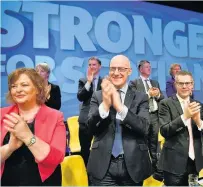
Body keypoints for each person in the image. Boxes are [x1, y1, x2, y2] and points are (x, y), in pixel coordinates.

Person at [87, 55, 151, 186]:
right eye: (112, 69)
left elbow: (144, 127)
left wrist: (120, 107)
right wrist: (105, 105)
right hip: (103, 165)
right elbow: (90, 128)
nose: (116, 73)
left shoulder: (141, 97)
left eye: (121, 69)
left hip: (133, 165)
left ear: (129, 71)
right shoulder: (98, 95)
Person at [0, 68, 66, 186]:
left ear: (37, 88)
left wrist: (27, 136)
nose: (18, 90)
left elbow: (56, 159)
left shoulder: (55, 116)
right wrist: (10, 148)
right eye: (14, 86)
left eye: (24, 85)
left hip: (44, 182)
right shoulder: (2, 115)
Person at [158, 71, 203, 186]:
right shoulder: (165, 104)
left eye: (187, 83)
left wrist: (198, 121)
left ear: (192, 85)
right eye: (181, 83)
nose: (184, 86)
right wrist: (185, 116)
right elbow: (164, 131)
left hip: (195, 162)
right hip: (173, 162)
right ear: (175, 84)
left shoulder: (198, 105)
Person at [130, 60, 164, 181]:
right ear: (140, 69)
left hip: (154, 116)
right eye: (146, 67)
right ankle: (145, 169)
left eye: (150, 67)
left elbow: (162, 98)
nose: (149, 69)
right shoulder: (134, 83)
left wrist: (158, 94)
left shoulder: (155, 82)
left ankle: (157, 170)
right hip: (142, 117)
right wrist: (148, 95)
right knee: (143, 143)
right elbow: (133, 100)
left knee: (154, 143)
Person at [77, 57, 102, 166]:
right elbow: (80, 97)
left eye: (94, 64)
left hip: (101, 120)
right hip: (85, 120)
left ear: (99, 66)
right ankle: (86, 173)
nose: (91, 67)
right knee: (85, 149)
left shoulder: (105, 81)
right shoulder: (83, 81)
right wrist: (89, 82)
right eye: (90, 65)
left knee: (102, 148)